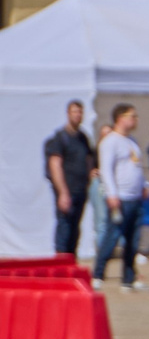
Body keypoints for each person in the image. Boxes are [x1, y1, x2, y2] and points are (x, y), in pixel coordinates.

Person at [92, 104, 148, 289]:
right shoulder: (110, 141)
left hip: (135, 197)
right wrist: (112, 194)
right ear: (120, 118)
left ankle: (128, 278)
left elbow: (137, 167)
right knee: (111, 236)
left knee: (133, 239)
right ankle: (98, 274)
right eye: (132, 116)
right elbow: (106, 169)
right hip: (120, 198)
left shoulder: (132, 142)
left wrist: (144, 185)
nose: (135, 120)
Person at [45, 101, 94, 256]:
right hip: (67, 190)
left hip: (81, 190)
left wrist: (91, 175)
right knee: (64, 228)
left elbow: (89, 159)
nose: (78, 115)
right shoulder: (60, 138)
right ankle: (60, 262)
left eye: (80, 112)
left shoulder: (83, 138)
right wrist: (63, 192)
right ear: (68, 114)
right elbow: (55, 165)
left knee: (75, 229)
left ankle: (71, 262)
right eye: (75, 112)